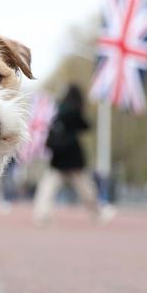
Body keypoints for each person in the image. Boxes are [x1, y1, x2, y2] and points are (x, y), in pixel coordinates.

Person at [33, 84, 114, 224]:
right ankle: (97, 213)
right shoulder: (75, 110)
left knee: (49, 186)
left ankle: (42, 214)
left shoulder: (58, 110)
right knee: (85, 187)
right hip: (73, 156)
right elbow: (86, 126)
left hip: (58, 156)